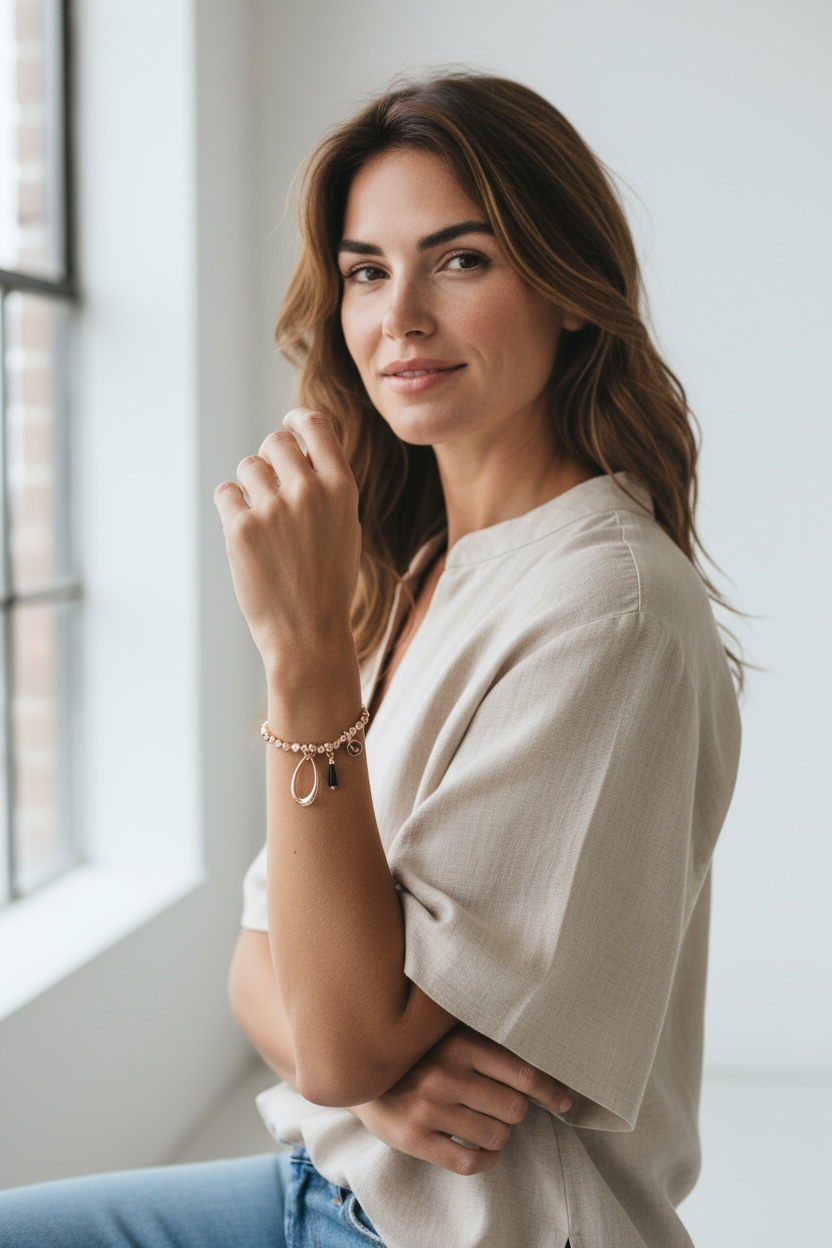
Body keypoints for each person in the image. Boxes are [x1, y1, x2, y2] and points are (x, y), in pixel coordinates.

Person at [0, 72, 741, 1248]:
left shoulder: (608, 612)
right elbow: (260, 966)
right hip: (331, 1186)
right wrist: (375, 1084)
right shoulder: (428, 567)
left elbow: (332, 1038)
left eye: (460, 260)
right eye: (364, 271)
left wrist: (301, 661)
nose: (400, 317)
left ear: (567, 288)